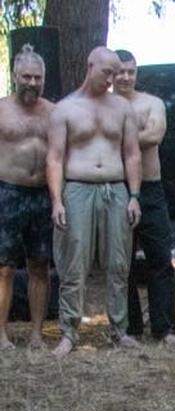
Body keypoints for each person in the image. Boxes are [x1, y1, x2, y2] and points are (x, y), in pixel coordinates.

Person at [47, 46, 143, 356]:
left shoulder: (122, 108)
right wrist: (57, 201)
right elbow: (55, 158)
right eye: (107, 72)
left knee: (119, 263)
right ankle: (69, 332)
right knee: (73, 263)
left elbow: (131, 153)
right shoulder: (65, 109)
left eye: (116, 73)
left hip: (115, 189)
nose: (113, 79)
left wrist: (134, 196)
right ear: (90, 66)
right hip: (77, 188)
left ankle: (120, 330)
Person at [113, 50, 175, 346]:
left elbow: (155, 135)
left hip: (151, 189)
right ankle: (129, 328)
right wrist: (133, 133)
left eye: (131, 71)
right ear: (110, 74)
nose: (126, 77)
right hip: (116, 187)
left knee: (161, 259)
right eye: (120, 72)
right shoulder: (104, 106)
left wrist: (115, 137)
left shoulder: (152, 103)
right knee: (121, 261)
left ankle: (165, 330)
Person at [0, 44, 54, 350]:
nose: (32, 83)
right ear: (14, 75)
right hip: (7, 191)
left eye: (37, 77)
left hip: (42, 194)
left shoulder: (54, 112)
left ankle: (36, 334)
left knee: (40, 265)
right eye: (26, 77)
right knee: (4, 267)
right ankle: (1, 335)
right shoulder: (2, 108)